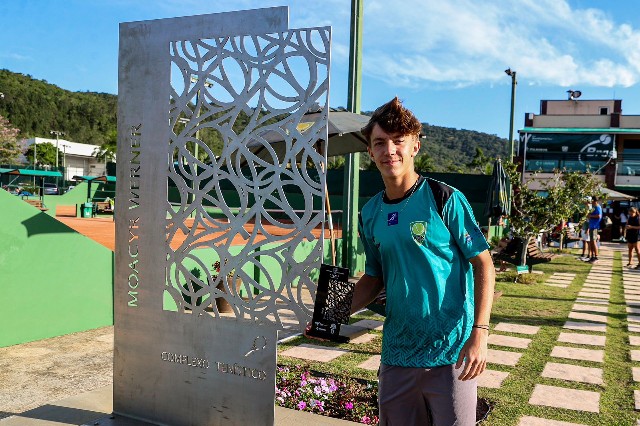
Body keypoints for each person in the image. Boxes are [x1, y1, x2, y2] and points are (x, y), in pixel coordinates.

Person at [351, 97, 495, 425]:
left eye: (399, 141)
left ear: (415, 146)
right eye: (380, 143)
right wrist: (329, 317)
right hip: (398, 352)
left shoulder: (445, 198)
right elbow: (373, 278)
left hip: (452, 352)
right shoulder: (370, 213)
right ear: (370, 152)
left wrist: (480, 335)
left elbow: (483, 264)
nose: (390, 150)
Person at [587, 196, 602, 263]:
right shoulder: (593, 207)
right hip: (591, 226)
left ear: (594, 201)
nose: (591, 202)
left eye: (592, 201)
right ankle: (592, 256)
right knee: (591, 242)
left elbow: (599, 216)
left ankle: (596, 257)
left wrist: (590, 216)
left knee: (593, 242)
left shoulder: (598, 207)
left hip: (594, 227)